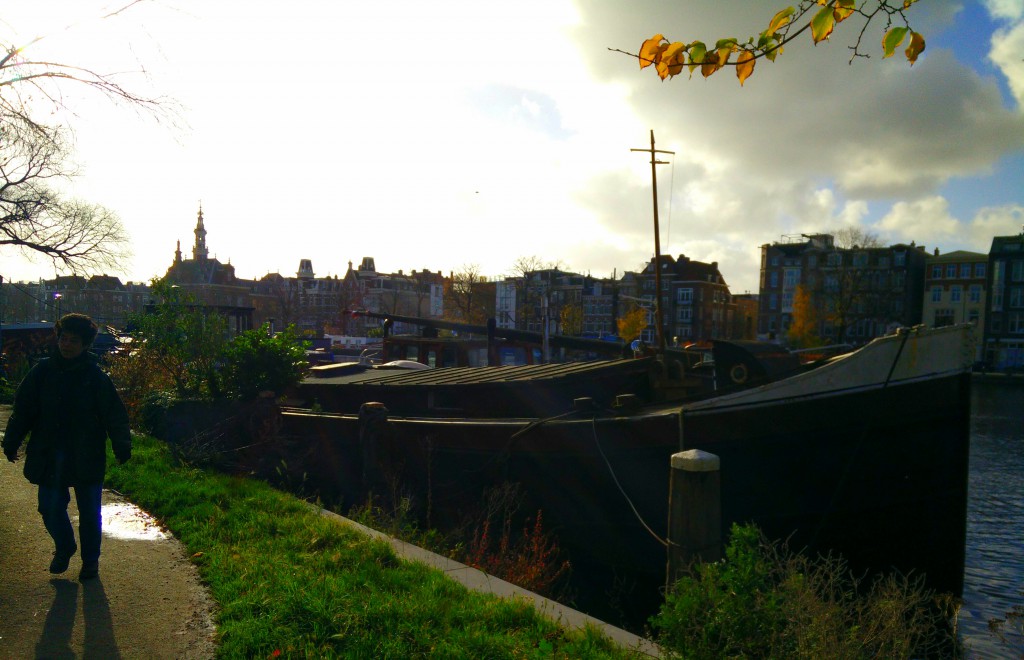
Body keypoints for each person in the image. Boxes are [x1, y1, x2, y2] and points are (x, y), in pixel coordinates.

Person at [2, 313, 131, 580]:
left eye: (73, 340)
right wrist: (11, 441)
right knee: (48, 507)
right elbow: (24, 410)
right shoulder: (42, 372)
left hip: (87, 454)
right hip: (49, 453)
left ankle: (90, 563)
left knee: (89, 513)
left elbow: (114, 415)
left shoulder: (96, 378)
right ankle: (65, 547)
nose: (66, 344)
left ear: (85, 345)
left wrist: (121, 445)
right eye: (63, 338)